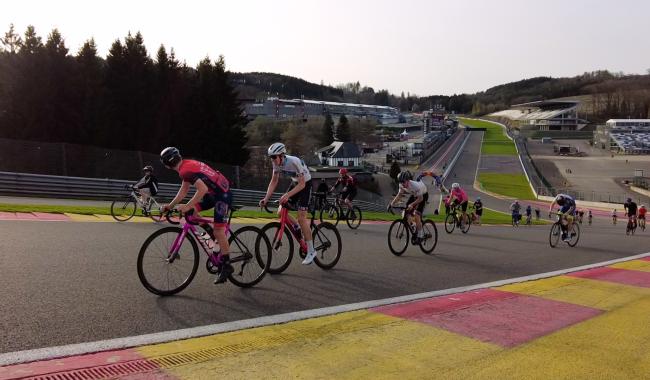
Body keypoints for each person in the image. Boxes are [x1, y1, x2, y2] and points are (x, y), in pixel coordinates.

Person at [160, 147, 233, 284]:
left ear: (167, 166)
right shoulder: (186, 165)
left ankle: (227, 265)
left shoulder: (185, 170)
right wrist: (170, 206)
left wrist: (187, 205)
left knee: (219, 230)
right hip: (215, 193)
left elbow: (203, 189)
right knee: (192, 212)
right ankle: (209, 231)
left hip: (222, 195)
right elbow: (184, 190)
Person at [259, 143, 317, 265]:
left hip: (305, 184)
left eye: (274, 157)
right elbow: (274, 181)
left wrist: (287, 195)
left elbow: (302, 184)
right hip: (295, 184)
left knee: (301, 218)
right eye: (271, 157)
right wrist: (266, 198)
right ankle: (296, 227)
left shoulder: (294, 161)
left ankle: (311, 251)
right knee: (280, 212)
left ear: (282, 155)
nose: (273, 160)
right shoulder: (276, 163)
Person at [388, 170, 441, 243]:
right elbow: (399, 195)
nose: (402, 184)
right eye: (400, 182)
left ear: (408, 180)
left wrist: (412, 204)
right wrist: (391, 204)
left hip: (423, 195)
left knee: (417, 215)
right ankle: (412, 225)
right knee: (406, 211)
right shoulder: (401, 185)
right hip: (414, 195)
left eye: (403, 182)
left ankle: (420, 235)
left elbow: (420, 199)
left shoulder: (415, 186)